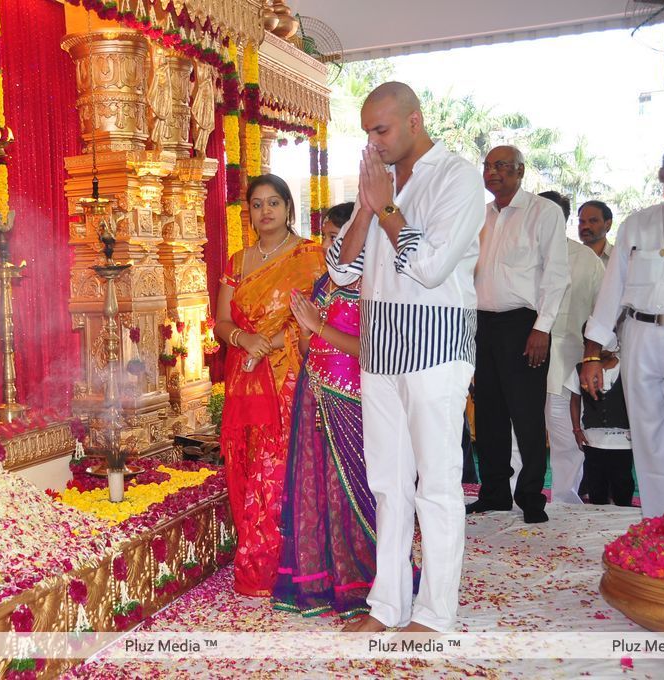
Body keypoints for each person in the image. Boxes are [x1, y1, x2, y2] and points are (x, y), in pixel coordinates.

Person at [328, 82, 484, 633]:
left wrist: (387, 207)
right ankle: (387, 606)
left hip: (436, 348)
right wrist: (369, 210)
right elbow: (342, 269)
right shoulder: (379, 180)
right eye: (367, 131)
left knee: (436, 484)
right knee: (388, 484)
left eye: (382, 129)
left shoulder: (458, 177)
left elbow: (432, 266)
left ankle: (436, 613)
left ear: (415, 121)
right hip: (380, 350)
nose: (373, 140)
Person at [214, 174, 325, 596]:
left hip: (291, 373)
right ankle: (257, 557)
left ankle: (286, 565)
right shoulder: (238, 261)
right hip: (247, 376)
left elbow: (316, 316)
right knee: (247, 461)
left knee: (278, 467)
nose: (265, 212)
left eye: (273, 203)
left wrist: (269, 343)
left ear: (288, 208)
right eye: (257, 204)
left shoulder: (310, 256)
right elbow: (222, 321)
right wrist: (244, 340)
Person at [273, 201, 378, 620]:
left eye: (340, 238)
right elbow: (306, 347)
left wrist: (318, 327)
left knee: (352, 489)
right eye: (329, 238)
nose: (332, 246)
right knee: (315, 486)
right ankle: (322, 578)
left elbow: (371, 348)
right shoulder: (324, 285)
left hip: (353, 398)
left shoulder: (374, 283)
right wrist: (305, 330)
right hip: (314, 393)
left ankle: (364, 580)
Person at [468, 146, 569, 524]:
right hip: (482, 325)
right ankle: (494, 493)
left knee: (526, 414)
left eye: (500, 166)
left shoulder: (543, 213)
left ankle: (530, 496)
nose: (492, 172)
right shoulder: (480, 216)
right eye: (487, 166)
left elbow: (557, 275)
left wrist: (541, 327)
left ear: (520, 171)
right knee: (489, 413)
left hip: (524, 325)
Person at [581, 149, 664, 518]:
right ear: (663, 176)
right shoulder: (639, 224)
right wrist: (591, 355)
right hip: (641, 335)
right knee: (646, 438)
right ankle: (657, 525)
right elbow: (612, 290)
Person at [537, 191, 604, 504]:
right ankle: (510, 496)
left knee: (564, 432)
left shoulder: (585, 259)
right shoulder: (519, 254)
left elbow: (603, 312)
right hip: (521, 354)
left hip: (566, 358)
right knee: (515, 432)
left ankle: (566, 498)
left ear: (561, 219)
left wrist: (598, 356)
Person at [566, 347, 634, 507]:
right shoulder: (580, 369)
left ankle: (623, 521)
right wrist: (576, 429)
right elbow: (574, 400)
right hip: (593, 441)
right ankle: (598, 521)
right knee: (596, 485)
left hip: (623, 441)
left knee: (623, 483)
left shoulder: (627, 367)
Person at [578, 200, 614, 265]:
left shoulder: (619, 257)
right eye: (582, 221)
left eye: (593, 221)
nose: (585, 226)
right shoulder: (570, 257)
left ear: (608, 224)